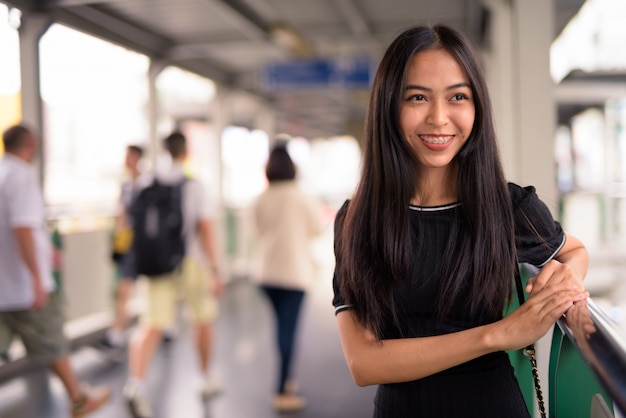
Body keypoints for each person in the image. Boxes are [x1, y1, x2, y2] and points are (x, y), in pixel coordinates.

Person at [331, 24, 590, 418]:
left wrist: (569, 276)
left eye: (458, 97)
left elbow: (574, 251)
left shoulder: (506, 206)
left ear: (476, 107)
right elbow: (364, 364)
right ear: (388, 107)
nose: (439, 118)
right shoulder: (358, 220)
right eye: (417, 97)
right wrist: (496, 335)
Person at [0, 124, 111, 417]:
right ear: (31, 144)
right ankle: (78, 399)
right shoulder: (21, 178)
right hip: (22, 286)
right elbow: (22, 229)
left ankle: (78, 397)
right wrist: (37, 277)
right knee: (52, 342)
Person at [123, 131, 224, 418]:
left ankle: (135, 385)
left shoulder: (148, 183)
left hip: (155, 264)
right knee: (202, 319)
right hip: (190, 262)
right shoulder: (194, 185)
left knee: (151, 324)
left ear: (164, 150)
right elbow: (205, 229)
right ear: (185, 150)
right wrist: (216, 269)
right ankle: (204, 379)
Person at [251, 142, 324, 412]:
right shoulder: (302, 197)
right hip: (295, 274)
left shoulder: (261, 198)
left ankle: (286, 379)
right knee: (287, 333)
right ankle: (282, 390)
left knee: (280, 330)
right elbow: (316, 229)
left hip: (266, 274)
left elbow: (256, 231)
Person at [100, 144, 144, 356]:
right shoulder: (126, 186)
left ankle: (163, 326)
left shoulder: (147, 184)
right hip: (129, 244)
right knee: (124, 288)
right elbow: (122, 217)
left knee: (153, 286)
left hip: (146, 245)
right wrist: (118, 245)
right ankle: (116, 334)